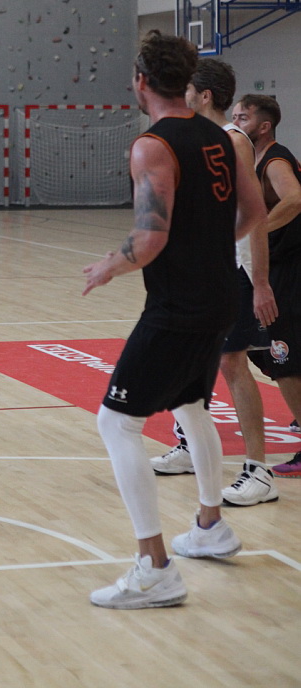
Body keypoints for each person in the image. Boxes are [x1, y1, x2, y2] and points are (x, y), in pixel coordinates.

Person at [83, 31, 266, 610]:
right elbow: (254, 210)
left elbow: (149, 237)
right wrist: (209, 245)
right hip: (221, 296)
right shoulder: (221, 138)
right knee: (190, 406)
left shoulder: (152, 146)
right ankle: (210, 526)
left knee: (116, 424)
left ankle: (154, 567)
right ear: (185, 81)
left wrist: (109, 267)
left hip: (178, 307)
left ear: (141, 81)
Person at [150, 59, 279, 506]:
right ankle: (190, 445)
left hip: (235, 270)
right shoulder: (199, 138)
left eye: (187, 89)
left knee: (232, 364)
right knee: (193, 357)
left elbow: (254, 214)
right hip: (203, 270)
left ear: (204, 95)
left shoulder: (234, 140)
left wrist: (261, 282)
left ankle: (259, 470)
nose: (181, 95)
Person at [232, 94, 301, 479]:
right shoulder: (252, 159)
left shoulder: (274, 160)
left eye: (243, 116)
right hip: (279, 266)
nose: (235, 121)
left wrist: (257, 228)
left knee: (281, 355)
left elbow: (295, 198)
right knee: (263, 349)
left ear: (264, 126)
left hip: (289, 269)